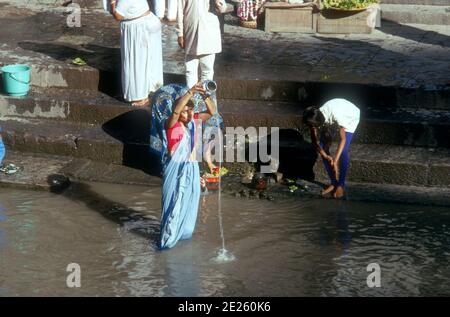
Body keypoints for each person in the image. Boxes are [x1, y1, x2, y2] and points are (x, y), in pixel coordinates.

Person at [154, 82, 216, 249]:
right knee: (173, 206)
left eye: (191, 110)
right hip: (175, 170)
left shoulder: (194, 122)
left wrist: (204, 95)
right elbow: (175, 111)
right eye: (185, 111)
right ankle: (166, 244)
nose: (189, 113)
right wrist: (191, 91)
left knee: (190, 204)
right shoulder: (171, 124)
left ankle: (182, 238)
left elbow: (212, 111)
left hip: (192, 169)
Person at [108, 0, 163, 107]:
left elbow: (118, 16)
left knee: (137, 62)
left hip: (139, 27)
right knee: (150, 59)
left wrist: (112, 2)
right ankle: (153, 89)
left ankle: (141, 96)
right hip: (147, 22)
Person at [302, 98, 360, 199]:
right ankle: (334, 182)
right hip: (331, 119)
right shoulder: (313, 117)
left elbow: (343, 140)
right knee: (323, 147)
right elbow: (315, 143)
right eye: (310, 127)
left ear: (318, 123)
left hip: (350, 116)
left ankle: (340, 185)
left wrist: (335, 161)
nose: (312, 129)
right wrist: (326, 156)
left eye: (314, 127)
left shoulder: (337, 118)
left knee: (343, 152)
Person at [176, 0, 227, 89]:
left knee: (207, 69)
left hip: (209, 33)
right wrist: (180, 34)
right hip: (191, 32)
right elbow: (180, 11)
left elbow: (223, 9)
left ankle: (205, 97)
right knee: (190, 69)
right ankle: (191, 97)